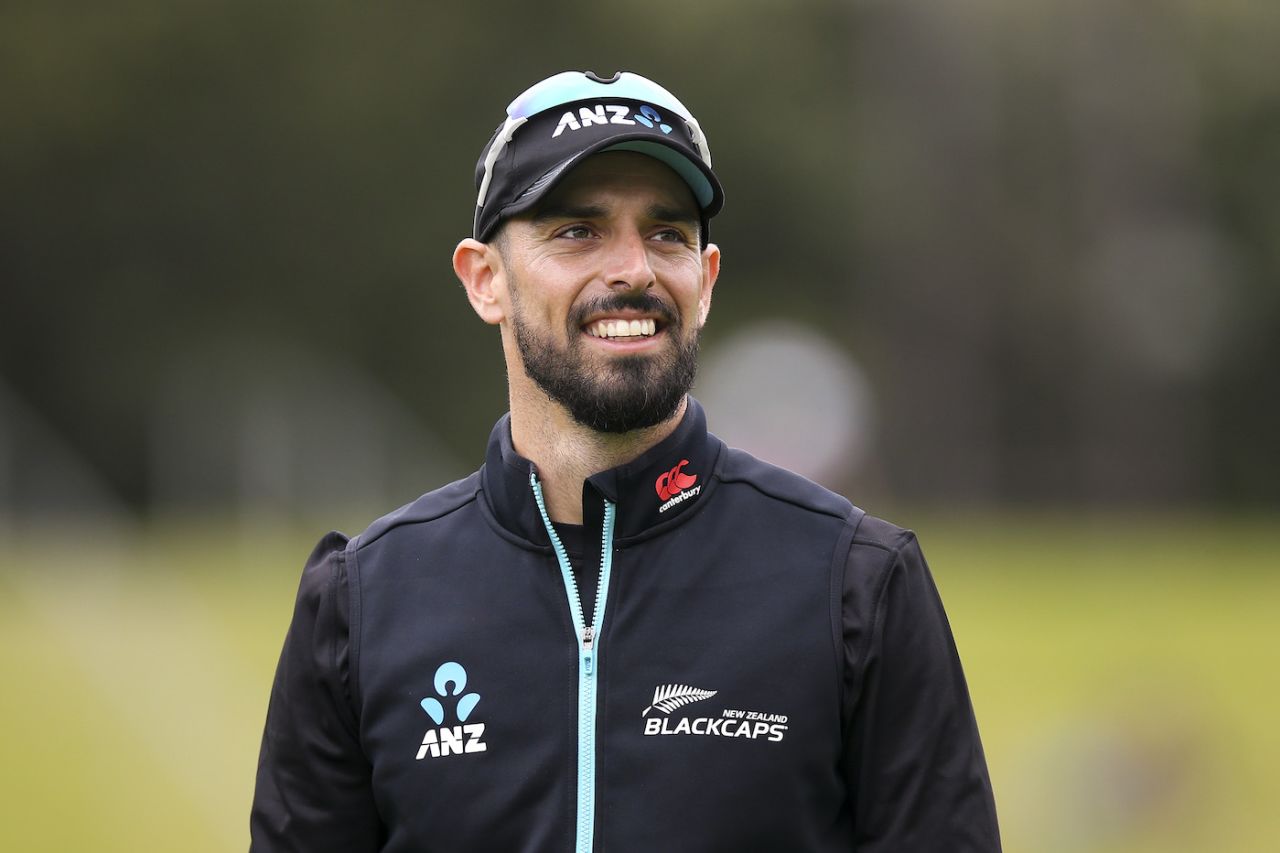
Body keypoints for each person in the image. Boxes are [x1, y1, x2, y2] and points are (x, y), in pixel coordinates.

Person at [250, 70, 1001, 852]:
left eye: (668, 233)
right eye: (578, 230)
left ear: (704, 283)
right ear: (485, 281)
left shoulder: (857, 585)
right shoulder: (362, 603)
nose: (635, 269)